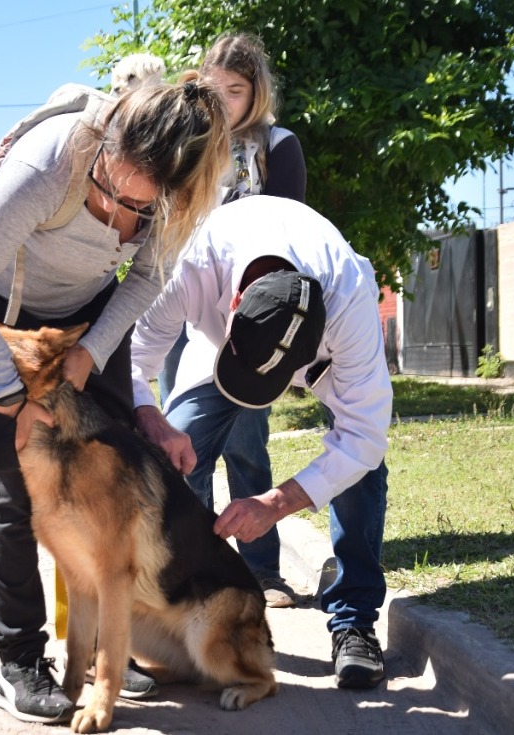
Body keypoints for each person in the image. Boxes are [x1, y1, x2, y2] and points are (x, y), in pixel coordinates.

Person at [0, 80, 229, 724]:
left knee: (111, 481)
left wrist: (93, 350)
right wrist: (8, 397)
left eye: (137, 208)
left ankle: (105, 650)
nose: (117, 215)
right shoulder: (48, 163)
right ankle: (19, 658)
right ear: (104, 147)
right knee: (15, 485)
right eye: (108, 192)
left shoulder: (176, 196)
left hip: (85, 316)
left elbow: (147, 277)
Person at [131, 195, 393, 690]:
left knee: (362, 469)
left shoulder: (350, 296)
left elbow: (365, 434)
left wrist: (275, 503)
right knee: (169, 460)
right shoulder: (192, 265)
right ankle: (185, 609)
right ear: (234, 303)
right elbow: (131, 358)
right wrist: (155, 421)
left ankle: (354, 620)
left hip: (323, 365)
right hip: (217, 355)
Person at [158, 33, 307, 608]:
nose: (223, 101)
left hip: (247, 317)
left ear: (257, 92)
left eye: (236, 90)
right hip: (184, 303)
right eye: (213, 89)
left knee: (246, 445)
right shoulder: (189, 140)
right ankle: (198, 573)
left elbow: (289, 228)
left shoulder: (279, 145)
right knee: (182, 445)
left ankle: (262, 573)